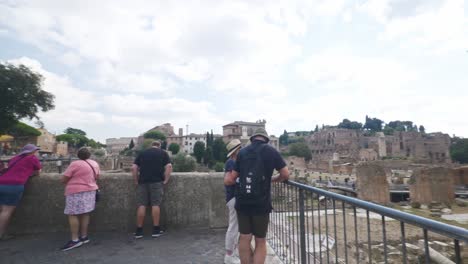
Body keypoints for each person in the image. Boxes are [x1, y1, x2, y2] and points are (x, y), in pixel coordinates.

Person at [225, 128, 289, 264]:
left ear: (252, 138)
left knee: (244, 237)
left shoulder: (242, 152)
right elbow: (285, 174)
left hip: (242, 202)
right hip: (261, 203)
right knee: (260, 241)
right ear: (265, 138)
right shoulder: (272, 152)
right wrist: (273, 179)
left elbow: (232, 177)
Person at [60, 147, 100, 251]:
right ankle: (84, 236)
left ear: (78, 155)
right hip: (91, 191)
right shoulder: (94, 163)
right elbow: (98, 176)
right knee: (85, 213)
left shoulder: (75, 164)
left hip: (76, 191)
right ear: (89, 155)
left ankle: (75, 240)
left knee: (72, 214)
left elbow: (64, 178)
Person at [0, 144, 42, 240]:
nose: (37, 152)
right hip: (13, 185)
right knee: (6, 211)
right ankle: (1, 234)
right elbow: (38, 172)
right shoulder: (32, 158)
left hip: (1, 182)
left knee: (1, 210)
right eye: (36, 150)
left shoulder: (15, 158)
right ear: (32, 151)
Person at [132, 140, 172, 239]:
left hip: (143, 182)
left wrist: (136, 180)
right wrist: (166, 179)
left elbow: (134, 167)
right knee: (155, 205)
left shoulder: (143, 153)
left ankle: (139, 231)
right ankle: (156, 230)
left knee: (141, 205)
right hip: (157, 182)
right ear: (159, 146)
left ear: (151, 146)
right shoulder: (163, 153)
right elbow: (169, 166)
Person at [224, 139, 242, 264]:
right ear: (237, 150)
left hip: (234, 198)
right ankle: (229, 256)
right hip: (234, 198)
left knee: (236, 227)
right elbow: (228, 180)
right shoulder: (231, 162)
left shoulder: (233, 162)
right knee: (234, 227)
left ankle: (232, 254)